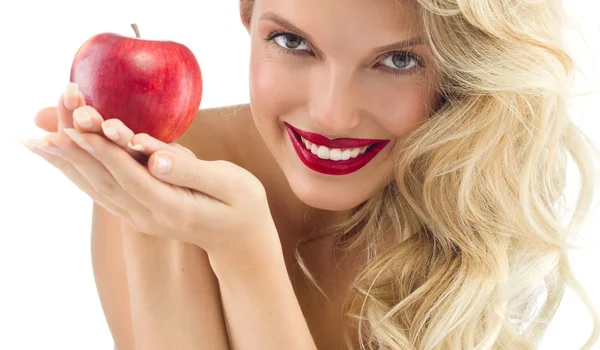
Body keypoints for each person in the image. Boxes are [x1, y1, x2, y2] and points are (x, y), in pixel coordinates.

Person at [21, 0, 600, 349]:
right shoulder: (165, 167)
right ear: (247, 19)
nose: (331, 114)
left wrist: (244, 254)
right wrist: (152, 222)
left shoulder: (463, 190)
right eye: (292, 41)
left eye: (398, 60)